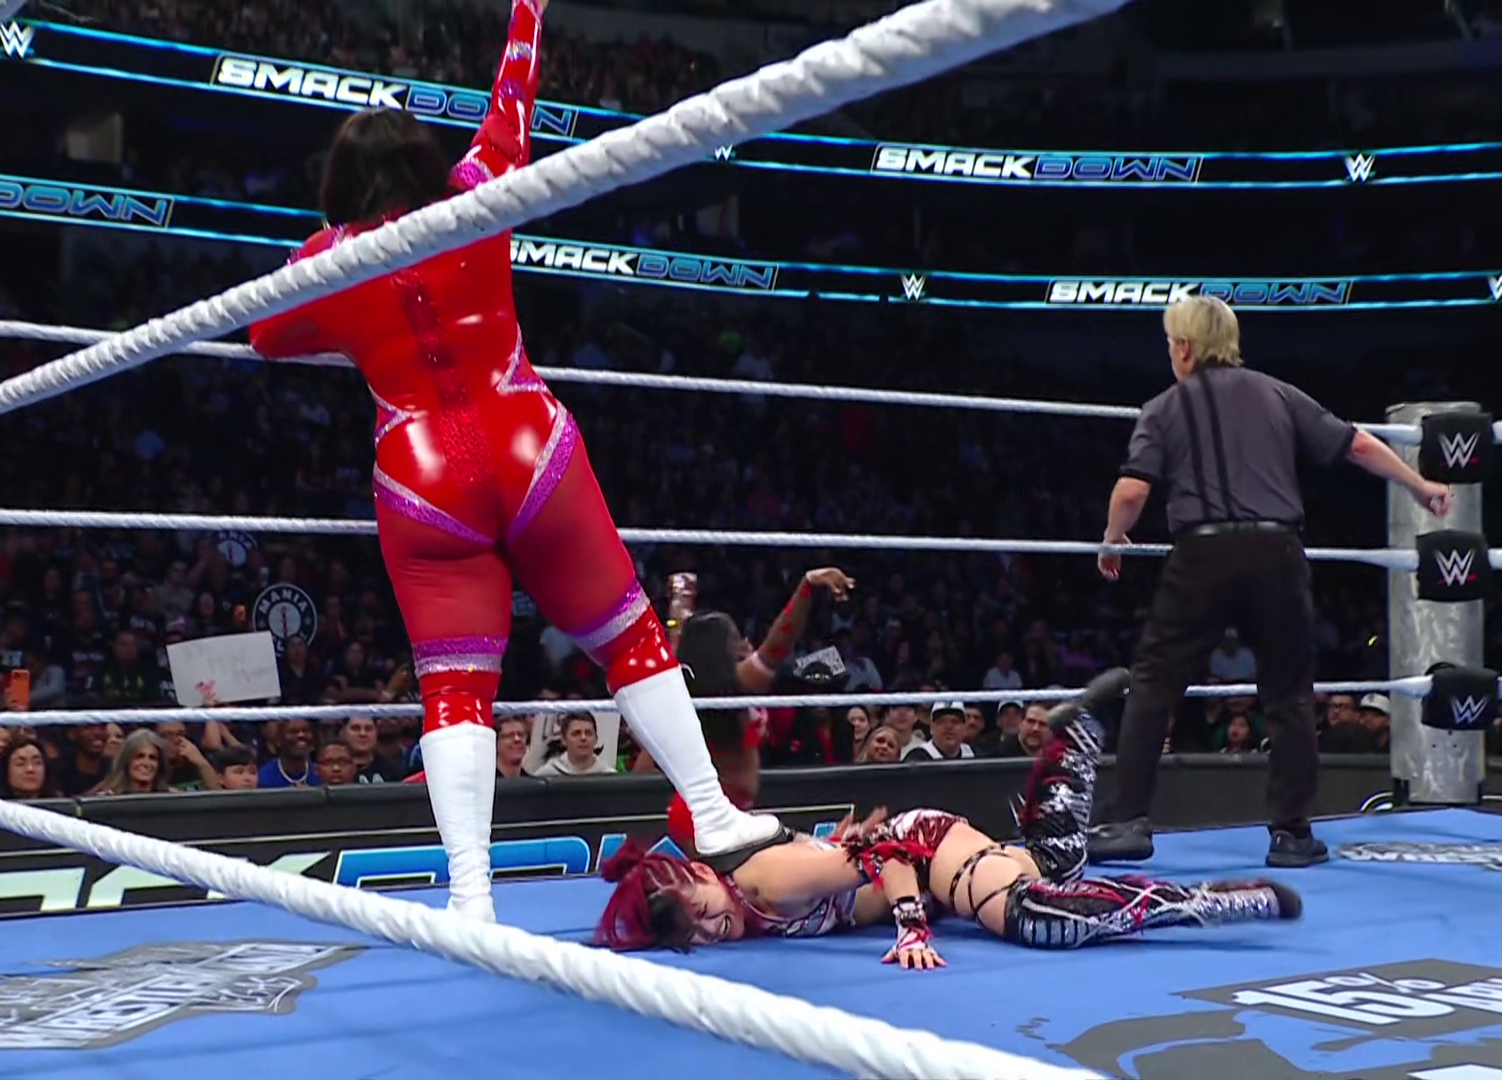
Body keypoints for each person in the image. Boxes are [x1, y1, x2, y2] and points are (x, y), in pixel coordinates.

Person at [246, 0, 776, 922]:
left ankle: (471, 892)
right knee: (630, 638)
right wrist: (528, 9)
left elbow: (264, 336)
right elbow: (510, 109)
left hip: (420, 472)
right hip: (527, 440)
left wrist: (348, 313)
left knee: (455, 688)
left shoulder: (328, 262)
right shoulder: (475, 194)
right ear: (422, 163)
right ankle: (711, 808)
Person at [1088, 295, 1453, 869]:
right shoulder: (1277, 393)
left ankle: (1126, 820)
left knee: (1155, 684)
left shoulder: (1164, 406)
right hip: (1277, 552)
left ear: (1183, 348)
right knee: (1287, 693)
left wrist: (1112, 539)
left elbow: (1132, 491)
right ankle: (1291, 834)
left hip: (1203, 553)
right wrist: (1419, 486)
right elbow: (1358, 444)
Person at [594, 670, 1300, 960]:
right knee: (1053, 865)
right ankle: (1074, 741)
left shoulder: (761, 883)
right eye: (698, 934)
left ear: (696, 873)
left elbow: (887, 854)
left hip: (922, 854)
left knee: (1034, 917)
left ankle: (1214, 903)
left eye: (700, 910)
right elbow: (848, 858)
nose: (713, 928)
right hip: (923, 863)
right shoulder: (748, 892)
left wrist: (910, 928)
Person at [650, 568, 853, 852]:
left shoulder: (684, 684)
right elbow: (779, 643)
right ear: (719, 651)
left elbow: (679, 634)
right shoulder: (736, 684)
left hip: (703, 812)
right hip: (719, 816)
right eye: (734, 639)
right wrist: (806, 586)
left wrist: (681, 597)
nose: (743, 643)